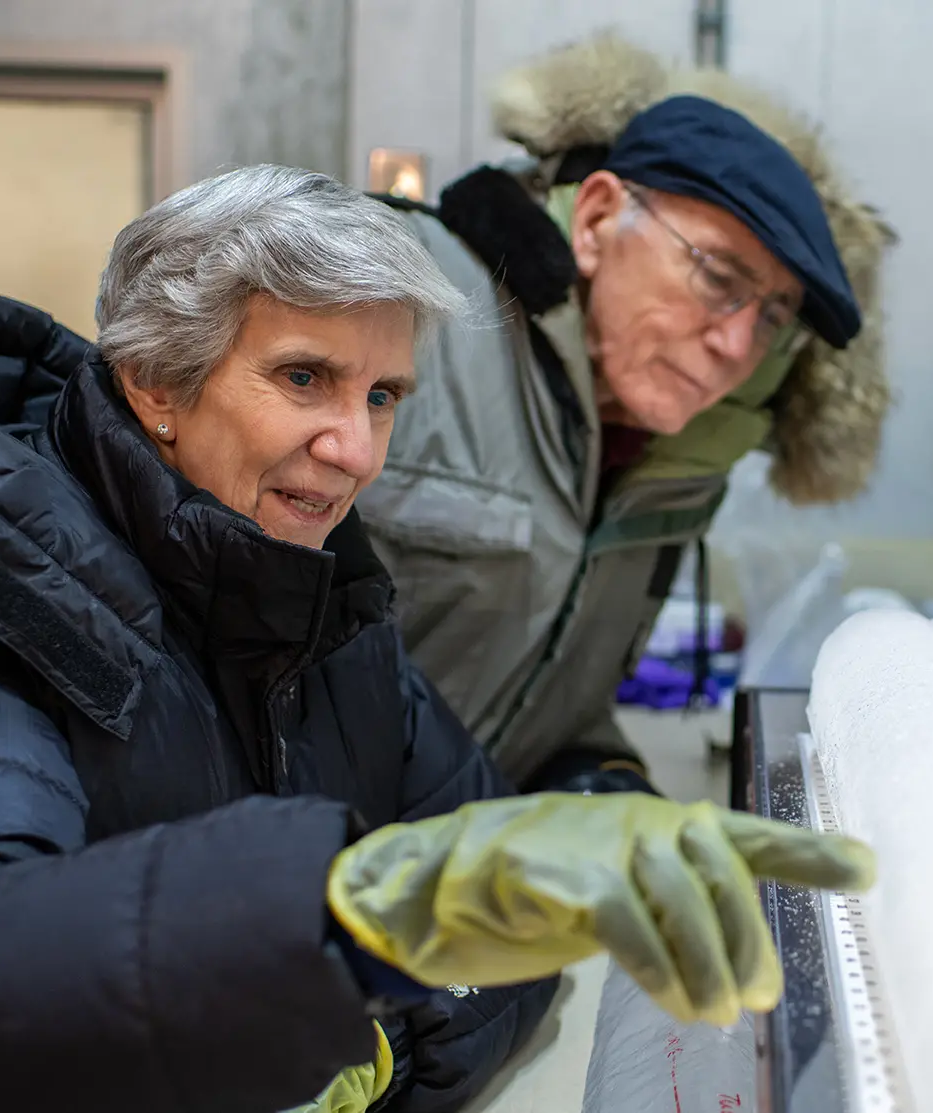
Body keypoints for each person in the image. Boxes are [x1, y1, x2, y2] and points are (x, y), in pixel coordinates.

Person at [0, 165, 873, 1113]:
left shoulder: (321, 608)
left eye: (384, 394)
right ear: (156, 379)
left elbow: (488, 900)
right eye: (304, 377)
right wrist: (329, 936)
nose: (355, 450)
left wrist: (376, 1041)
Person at [363, 34, 895, 796]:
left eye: (774, 315)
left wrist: (602, 785)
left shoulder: (669, 466)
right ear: (597, 221)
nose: (736, 343)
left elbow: (547, 700)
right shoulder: (407, 311)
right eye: (716, 274)